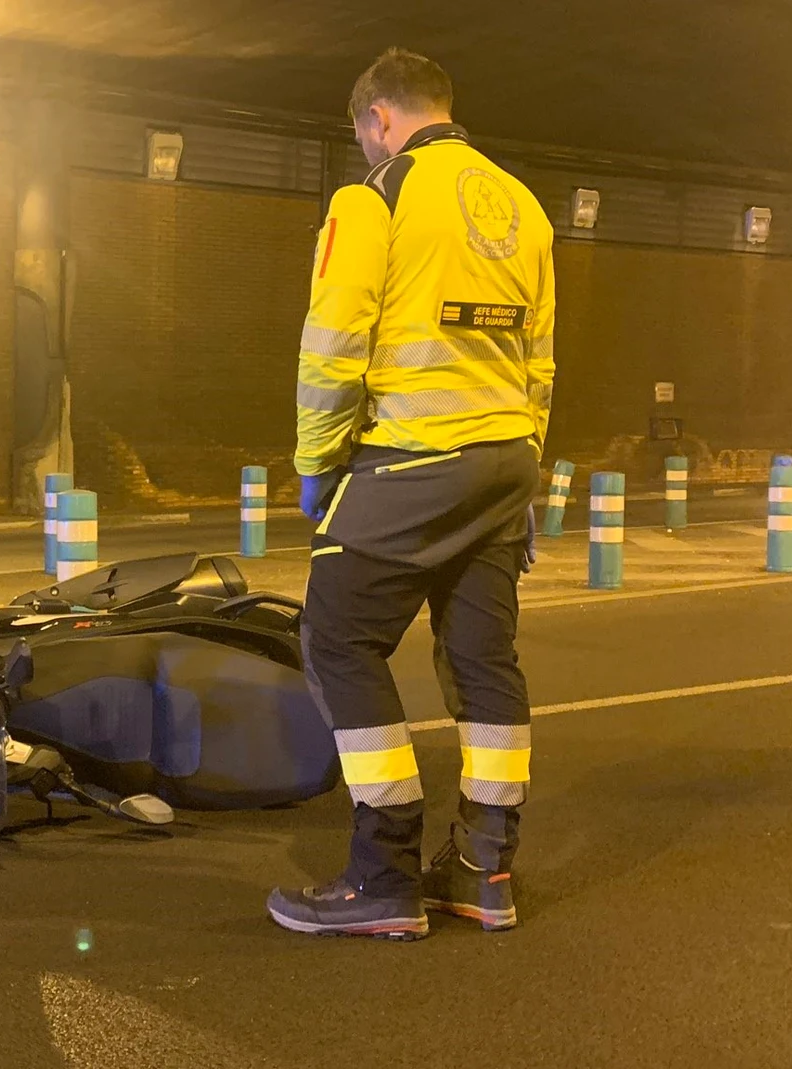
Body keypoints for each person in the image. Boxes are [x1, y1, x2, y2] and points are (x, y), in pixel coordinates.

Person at [267, 48, 556, 940]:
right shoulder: (524, 205)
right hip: (505, 459)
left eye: (365, 136)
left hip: (411, 462)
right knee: (482, 658)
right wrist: (527, 470)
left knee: (337, 637)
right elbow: (538, 361)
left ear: (377, 120)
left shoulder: (376, 196)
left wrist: (316, 465)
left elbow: (332, 343)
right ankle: (484, 867)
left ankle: (384, 870)